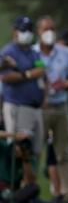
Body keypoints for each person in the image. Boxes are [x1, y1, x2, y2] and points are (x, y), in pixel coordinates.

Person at [34, 16, 68, 203]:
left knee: (63, 151)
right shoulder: (32, 52)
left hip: (60, 105)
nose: (49, 32)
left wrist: (66, 84)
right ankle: (28, 192)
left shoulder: (66, 52)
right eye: (45, 29)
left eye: (52, 28)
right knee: (35, 149)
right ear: (39, 32)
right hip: (39, 106)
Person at [0, 16, 47, 191]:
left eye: (28, 29)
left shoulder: (33, 52)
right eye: (23, 29)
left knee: (34, 151)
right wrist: (28, 75)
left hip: (35, 107)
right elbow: (4, 77)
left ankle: (30, 188)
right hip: (17, 106)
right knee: (20, 148)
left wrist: (28, 73)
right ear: (14, 31)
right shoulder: (8, 51)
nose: (26, 33)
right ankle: (16, 188)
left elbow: (41, 69)